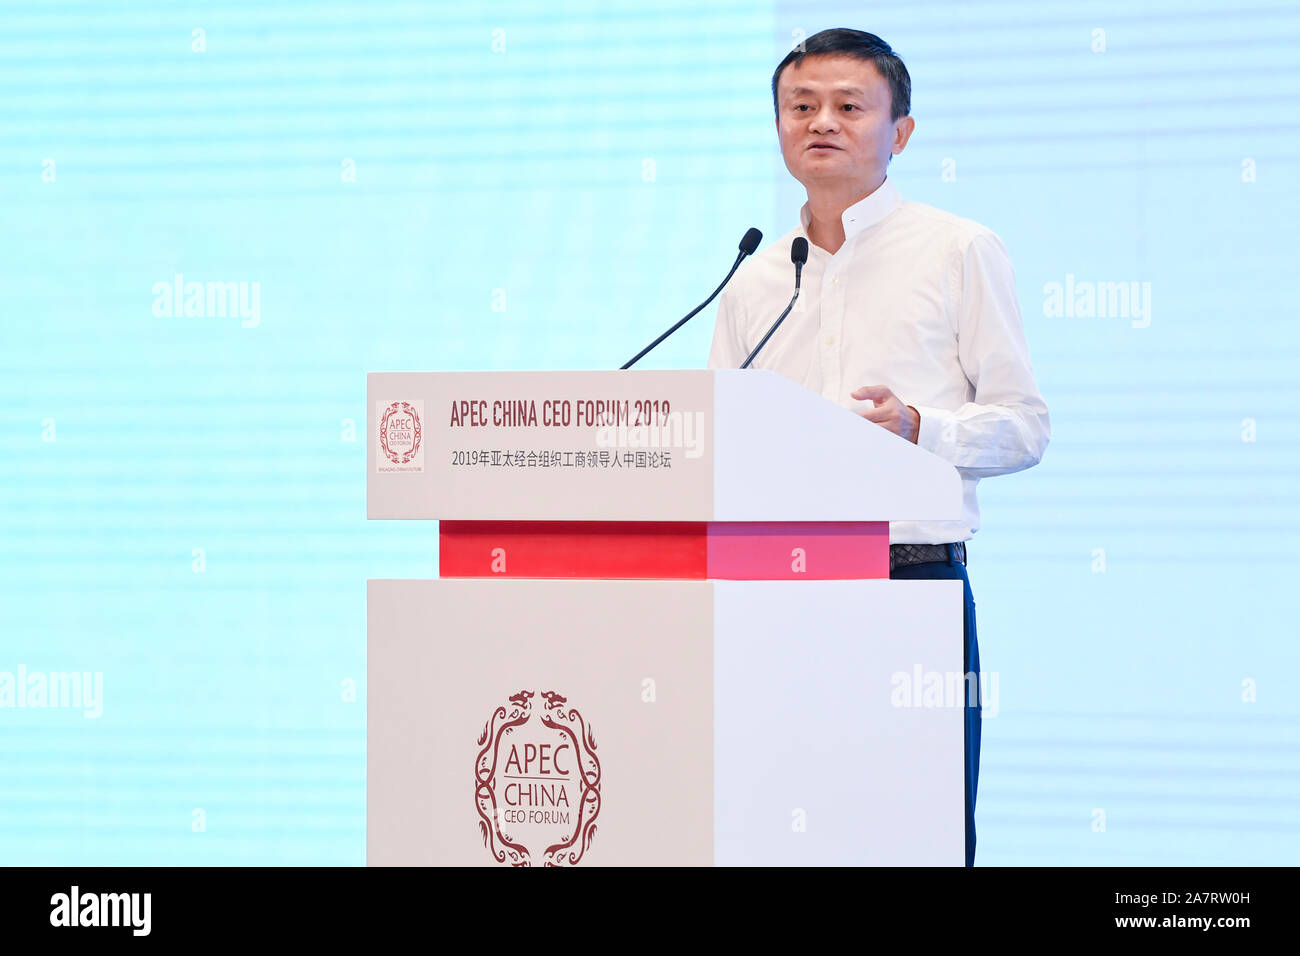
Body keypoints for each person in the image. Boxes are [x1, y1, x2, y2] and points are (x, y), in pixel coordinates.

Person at [707, 28, 1051, 866]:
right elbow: (717, 437)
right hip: (767, 594)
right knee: (774, 830)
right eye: (800, 106)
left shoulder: (958, 250)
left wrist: (919, 429)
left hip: (911, 582)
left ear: (900, 131)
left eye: (849, 106)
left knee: (912, 836)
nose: (820, 121)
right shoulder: (753, 275)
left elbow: (1026, 426)